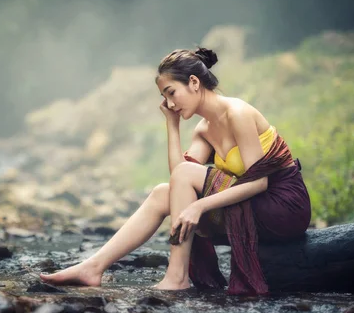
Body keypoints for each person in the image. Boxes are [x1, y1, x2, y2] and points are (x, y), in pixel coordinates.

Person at [40, 46, 311, 295]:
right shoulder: (204, 129)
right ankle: (93, 267)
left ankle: (176, 278)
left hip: (282, 207)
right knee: (162, 193)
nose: (170, 103)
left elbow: (259, 183)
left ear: (194, 82)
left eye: (171, 93)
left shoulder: (237, 113)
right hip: (251, 209)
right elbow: (178, 181)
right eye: (164, 97)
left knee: (180, 186)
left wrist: (200, 206)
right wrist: (172, 126)